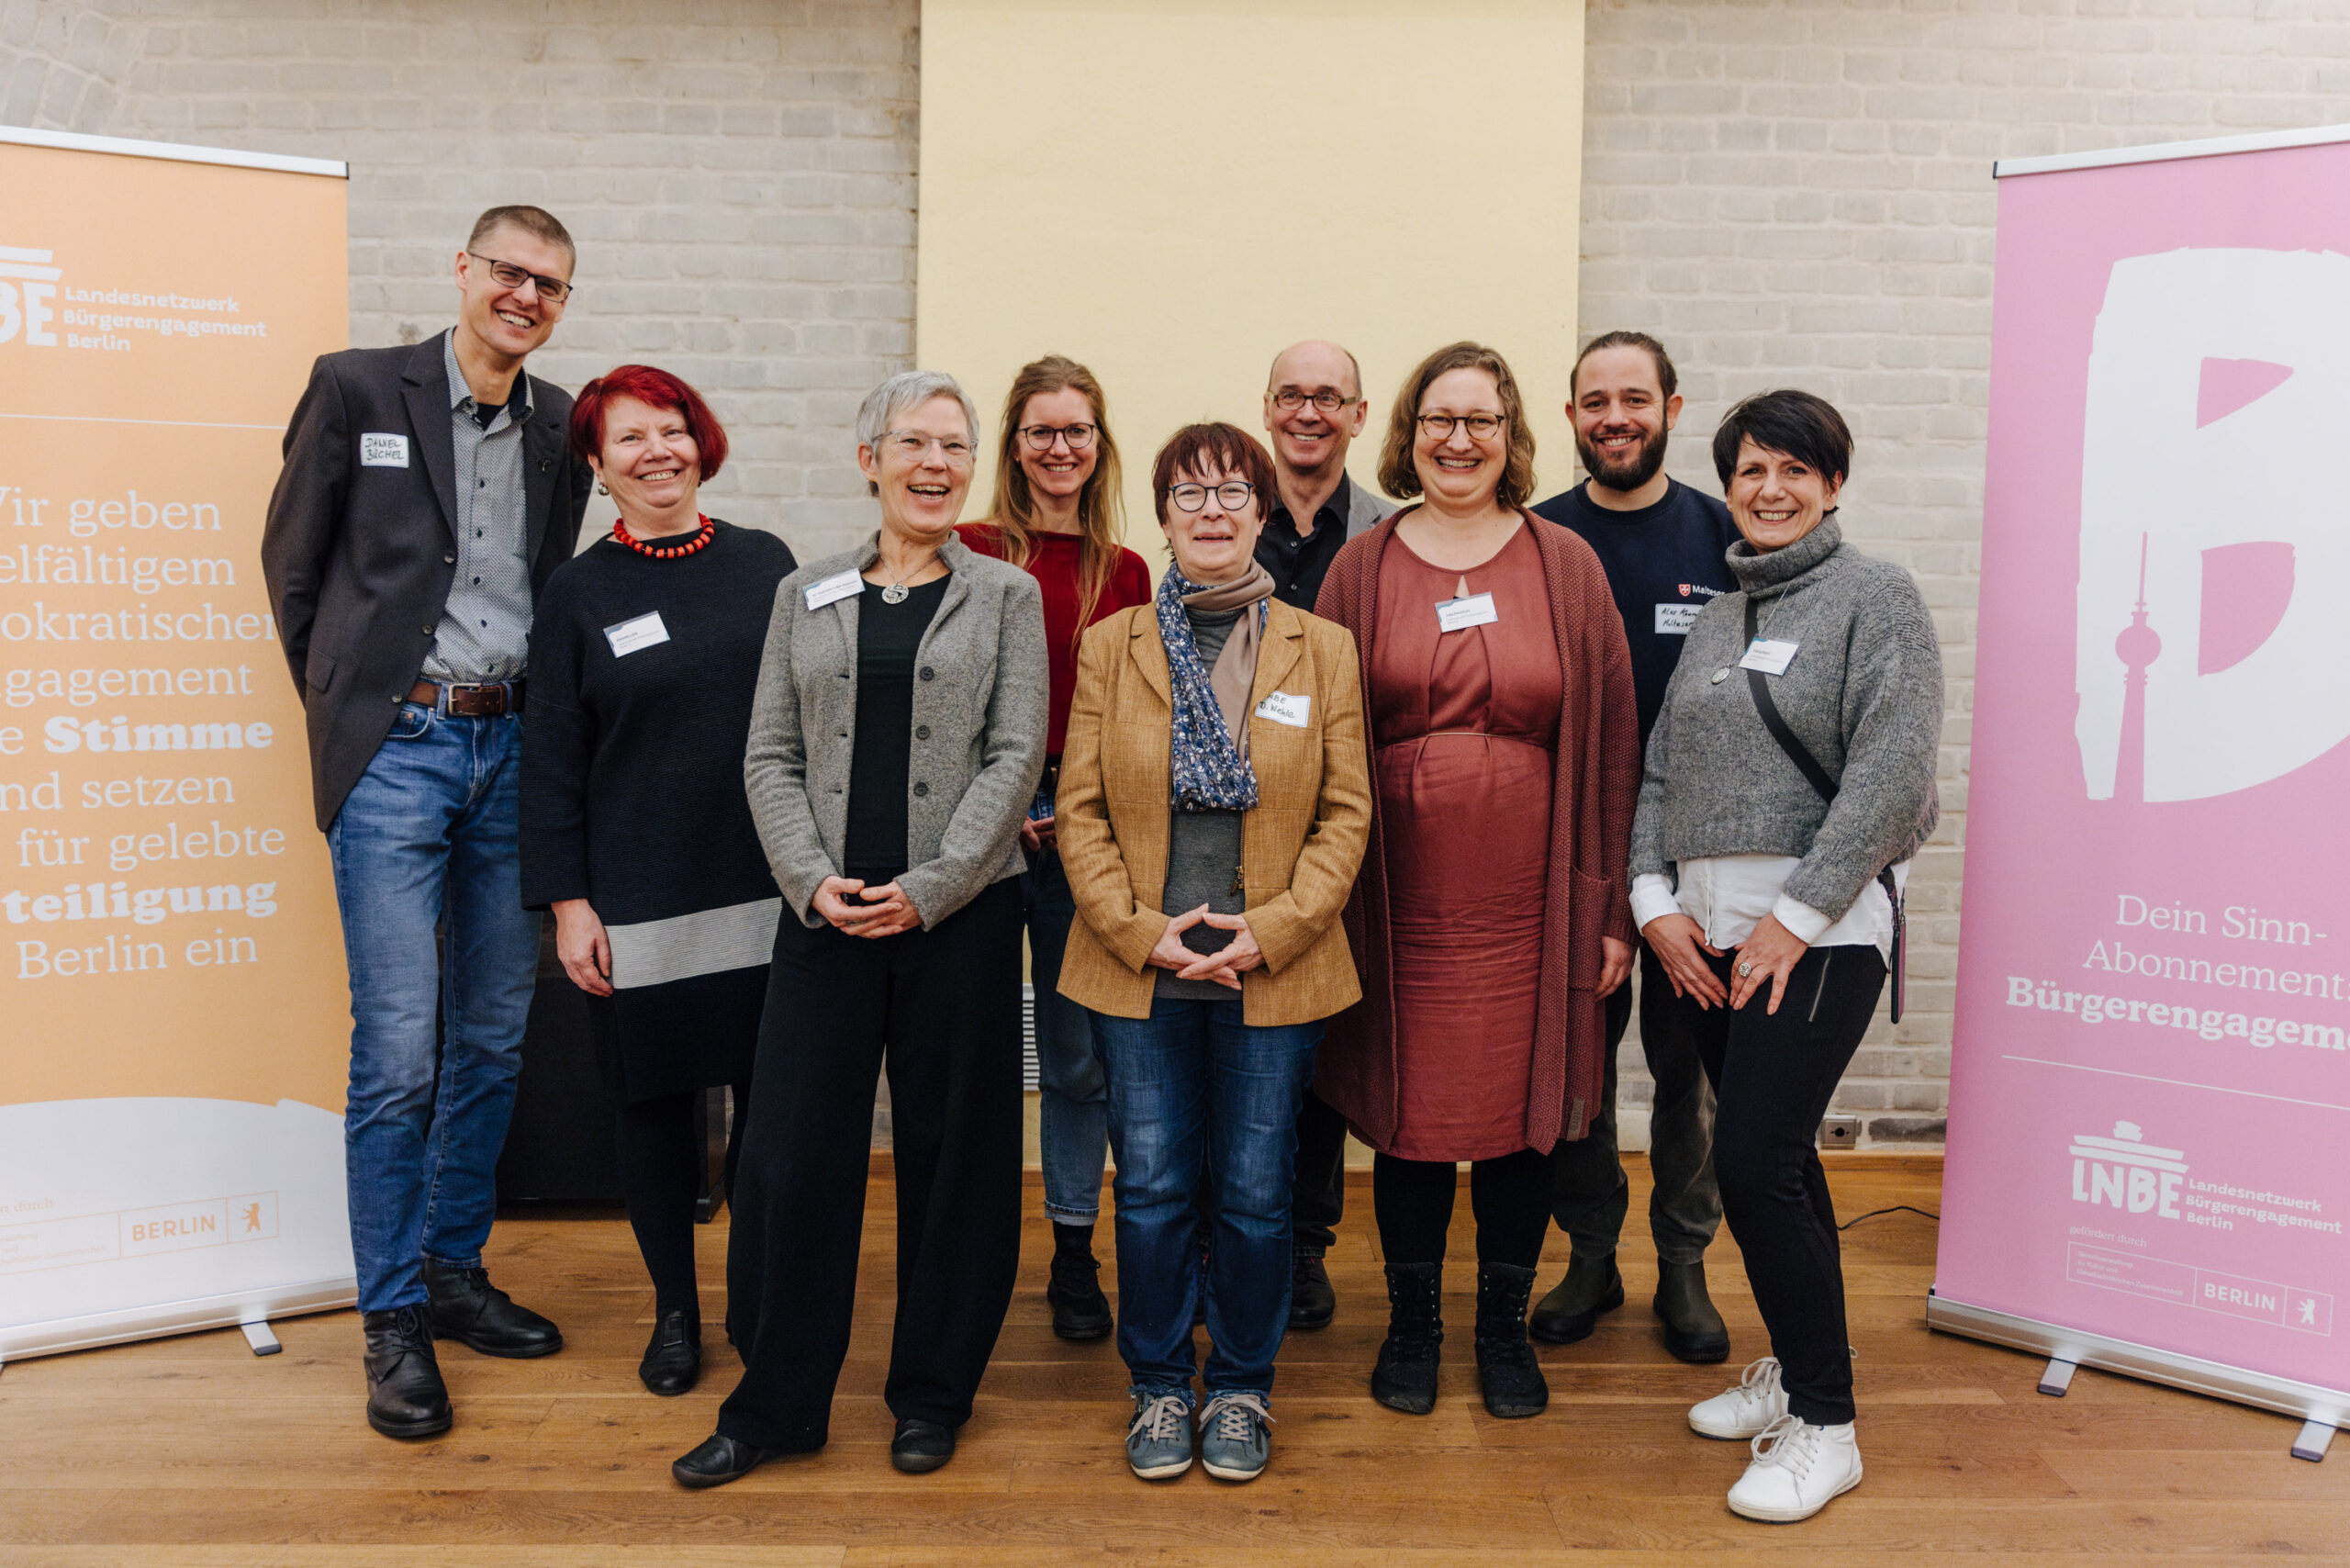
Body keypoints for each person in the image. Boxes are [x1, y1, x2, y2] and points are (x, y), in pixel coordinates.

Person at [672, 371, 1047, 1489]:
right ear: (868, 458)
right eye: (913, 442)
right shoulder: (807, 591)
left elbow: (1012, 755)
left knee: (955, 1166)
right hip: (826, 920)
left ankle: (932, 1394)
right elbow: (768, 756)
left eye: (954, 446)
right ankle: (778, 1404)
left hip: (961, 923)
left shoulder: (1006, 599)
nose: (935, 464)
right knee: (789, 1163)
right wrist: (812, 878)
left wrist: (930, 885)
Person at [261, 205, 593, 1440]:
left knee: (495, 1036)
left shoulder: (564, 425)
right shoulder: (356, 391)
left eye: (550, 285)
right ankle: (391, 1318)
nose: (525, 296)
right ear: (464, 270)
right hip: (400, 749)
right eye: (509, 271)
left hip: (515, 748)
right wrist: (357, 706)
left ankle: (455, 1271)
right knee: (398, 1048)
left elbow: (552, 586)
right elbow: (292, 568)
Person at [1313, 342, 1639, 1421]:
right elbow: (1315, 735)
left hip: (1533, 902)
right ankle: (1413, 1322)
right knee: (1411, 1115)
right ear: (1406, 435)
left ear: (1511, 435)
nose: (1459, 439)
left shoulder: (1567, 566)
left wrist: (1605, 909)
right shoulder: (1361, 566)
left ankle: (1502, 1324)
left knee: (1521, 1115)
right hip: (1394, 902)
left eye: (1481, 420)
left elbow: (1610, 748)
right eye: (1438, 419)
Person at [1632, 389, 1940, 1522]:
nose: (1770, 489)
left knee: (1754, 1159)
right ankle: (1789, 1373)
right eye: (1751, 469)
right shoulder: (1719, 612)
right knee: (1780, 1159)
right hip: (1706, 931)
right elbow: (1659, 772)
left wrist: (1796, 914)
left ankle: (1826, 1423)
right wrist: (1650, 901)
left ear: (1833, 482)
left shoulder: (1877, 597)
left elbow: (1892, 776)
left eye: (1794, 470)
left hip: (1815, 931)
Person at [1057, 422, 1371, 1484]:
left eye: (1234, 490)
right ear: (1162, 515)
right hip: (1137, 966)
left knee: (1252, 1189)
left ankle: (1239, 1385)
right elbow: (1081, 810)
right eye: (1188, 493)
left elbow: (1345, 815)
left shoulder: (1319, 647)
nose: (1212, 509)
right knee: (1146, 1186)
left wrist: (1269, 929)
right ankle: (1155, 1388)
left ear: (1260, 510)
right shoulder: (1111, 644)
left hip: (1268, 964)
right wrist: (1144, 934)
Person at [519, 365, 796, 1398]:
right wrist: (569, 902)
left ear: (700, 440)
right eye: (628, 439)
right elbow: (550, 755)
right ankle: (675, 1313)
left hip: (770, 888)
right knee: (653, 1114)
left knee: (773, 1120)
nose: (656, 453)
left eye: (670, 430)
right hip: (638, 895)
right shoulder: (579, 592)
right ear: (597, 464)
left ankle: (758, 1302)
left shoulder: (765, 562)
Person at [1528, 331, 1738, 1362]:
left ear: (1671, 406)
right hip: (1572, 858)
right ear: (1568, 416)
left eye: (1634, 399)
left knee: (1687, 1078)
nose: (1614, 417)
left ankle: (1685, 1265)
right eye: (1593, 401)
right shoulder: (1534, 540)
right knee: (1577, 1077)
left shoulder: (1724, 536)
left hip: (1698, 865)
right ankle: (1591, 1254)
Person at [956, 355, 1152, 1342]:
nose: (1060, 447)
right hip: (976, 829)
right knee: (971, 1053)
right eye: (1041, 430)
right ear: (1014, 444)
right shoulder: (968, 549)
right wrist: (998, 812)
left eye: (1077, 430)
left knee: (1077, 1060)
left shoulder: (1126, 570)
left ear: (1099, 445)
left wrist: (1071, 810)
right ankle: (965, 1254)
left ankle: (1074, 1254)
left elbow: (1128, 719)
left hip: (1084, 824)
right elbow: (947, 712)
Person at [1253, 338, 1391, 1331]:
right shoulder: (1219, 518)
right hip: (1228, 831)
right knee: (1233, 1044)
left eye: (1328, 397)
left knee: (1322, 1047)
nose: (1309, 411)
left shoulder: (1394, 535)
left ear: (1358, 413)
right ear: (1266, 408)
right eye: (1292, 395)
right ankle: (1232, 1232)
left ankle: (1305, 1246)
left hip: (1348, 823)